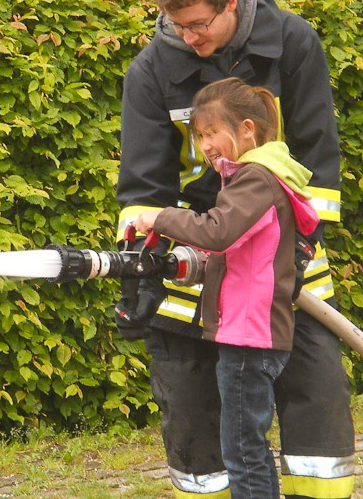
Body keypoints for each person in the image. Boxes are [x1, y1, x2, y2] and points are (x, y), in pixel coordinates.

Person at [115, 0, 355, 499]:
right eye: (176, 26)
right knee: (191, 398)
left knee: (316, 392)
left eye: (198, 24)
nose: (187, 38)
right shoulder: (151, 71)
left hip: (282, 249)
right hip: (198, 251)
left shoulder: (290, 42)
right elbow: (145, 185)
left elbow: (317, 154)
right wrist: (147, 264)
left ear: (229, 3)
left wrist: (295, 248)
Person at [132, 78, 319, 498]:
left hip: (249, 335)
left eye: (211, 132)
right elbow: (228, 244)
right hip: (250, 332)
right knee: (248, 445)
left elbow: (217, 231)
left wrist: (159, 217)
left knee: (241, 449)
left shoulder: (256, 179)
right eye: (198, 136)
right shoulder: (258, 178)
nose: (205, 145)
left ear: (247, 129)